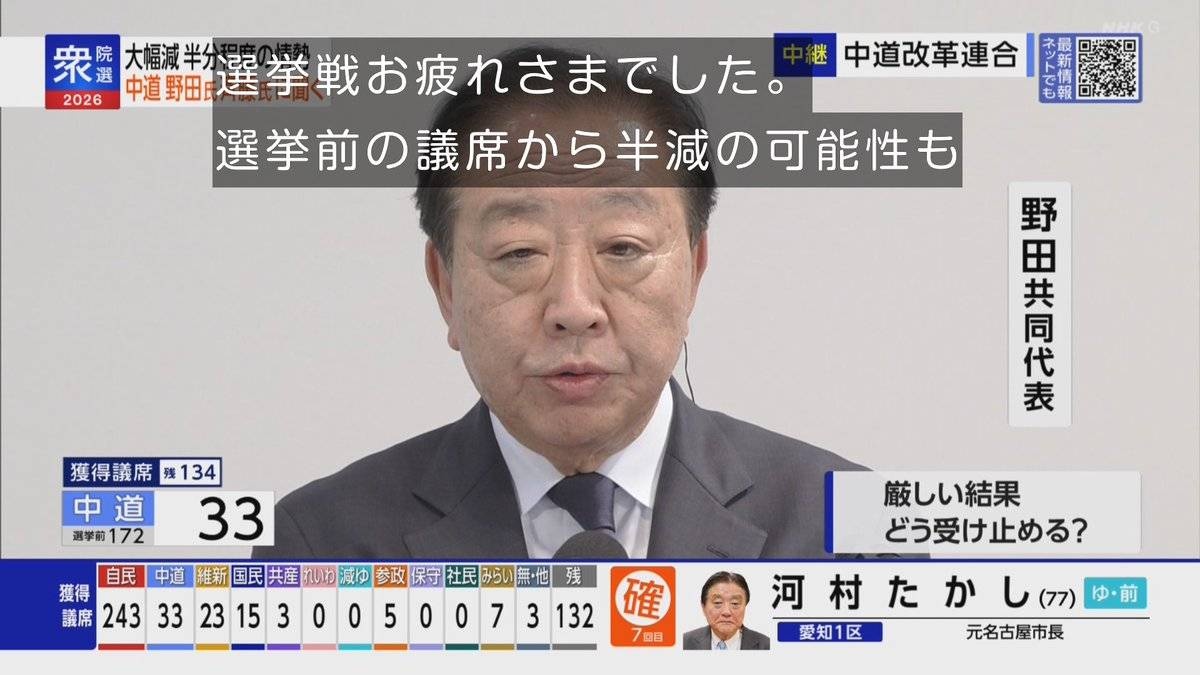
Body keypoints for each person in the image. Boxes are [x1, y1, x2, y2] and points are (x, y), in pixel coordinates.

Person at [253, 45, 864, 560]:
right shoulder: (318, 547)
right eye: (520, 252)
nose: (573, 308)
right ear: (445, 286)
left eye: (622, 248)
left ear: (694, 271)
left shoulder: (850, 533)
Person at [682, 571, 770, 650]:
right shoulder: (684, 643)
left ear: (745, 606)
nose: (726, 612)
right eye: (718, 602)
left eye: (735, 603)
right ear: (703, 607)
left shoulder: (766, 645)